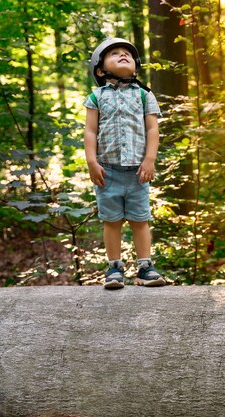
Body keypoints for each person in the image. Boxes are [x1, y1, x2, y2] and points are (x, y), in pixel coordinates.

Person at [84, 37, 165, 289]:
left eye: (127, 54)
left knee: (140, 219)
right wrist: (91, 161)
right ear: (100, 69)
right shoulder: (97, 96)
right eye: (115, 53)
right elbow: (90, 131)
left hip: (137, 171)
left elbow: (152, 129)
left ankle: (144, 267)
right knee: (112, 220)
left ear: (136, 66)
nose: (123, 55)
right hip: (107, 170)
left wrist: (150, 160)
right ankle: (114, 268)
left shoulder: (144, 95)